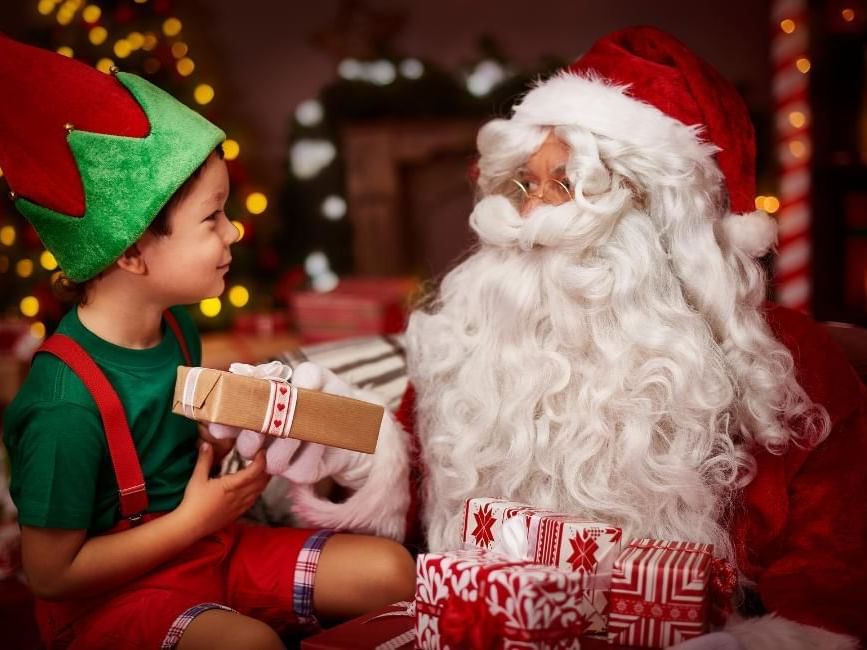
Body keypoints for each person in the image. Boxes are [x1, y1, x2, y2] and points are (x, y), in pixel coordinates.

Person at [268, 27, 867, 649]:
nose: (535, 218)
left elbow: (836, 566)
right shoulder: (471, 336)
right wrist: (359, 461)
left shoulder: (781, 360)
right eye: (525, 186)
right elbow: (410, 510)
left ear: (669, 217)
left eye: (575, 185)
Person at [0, 35, 414, 650]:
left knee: (391, 571)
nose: (233, 231)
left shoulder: (174, 326)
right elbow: (51, 574)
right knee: (248, 645)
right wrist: (195, 517)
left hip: (215, 546)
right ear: (135, 253)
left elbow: (176, 444)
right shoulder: (64, 404)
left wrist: (236, 423)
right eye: (212, 217)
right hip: (115, 597)